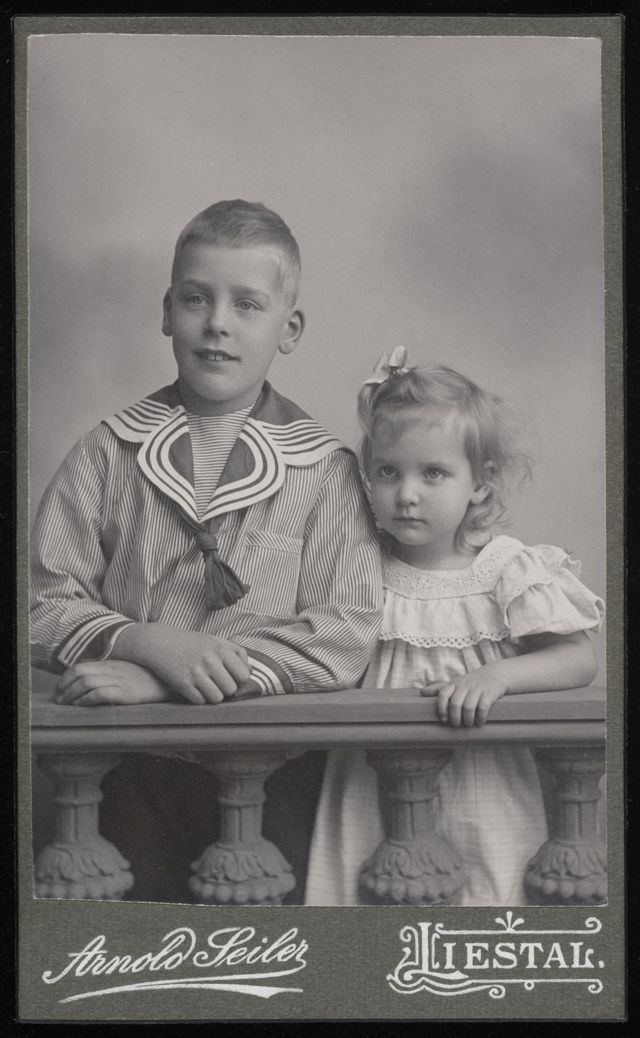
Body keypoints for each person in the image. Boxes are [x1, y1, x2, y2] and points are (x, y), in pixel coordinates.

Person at [30, 199, 382, 901]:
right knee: (135, 940)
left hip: (276, 767)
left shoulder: (325, 470)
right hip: (128, 763)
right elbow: (42, 604)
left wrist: (174, 679)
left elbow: (344, 635)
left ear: (289, 329)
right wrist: (143, 642)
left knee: (259, 945)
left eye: (246, 304)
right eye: (196, 298)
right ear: (168, 312)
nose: (217, 322)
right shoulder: (107, 452)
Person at [305, 349, 604, 906]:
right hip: (371, 782)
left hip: (482, 779)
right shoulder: (360, 568)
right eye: (388, 472)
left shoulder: (503, 569)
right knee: (369, 906)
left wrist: (498, 678)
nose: (407, 493)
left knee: (484, 899)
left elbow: (578, 658)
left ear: (480, 484)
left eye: (433, 473)